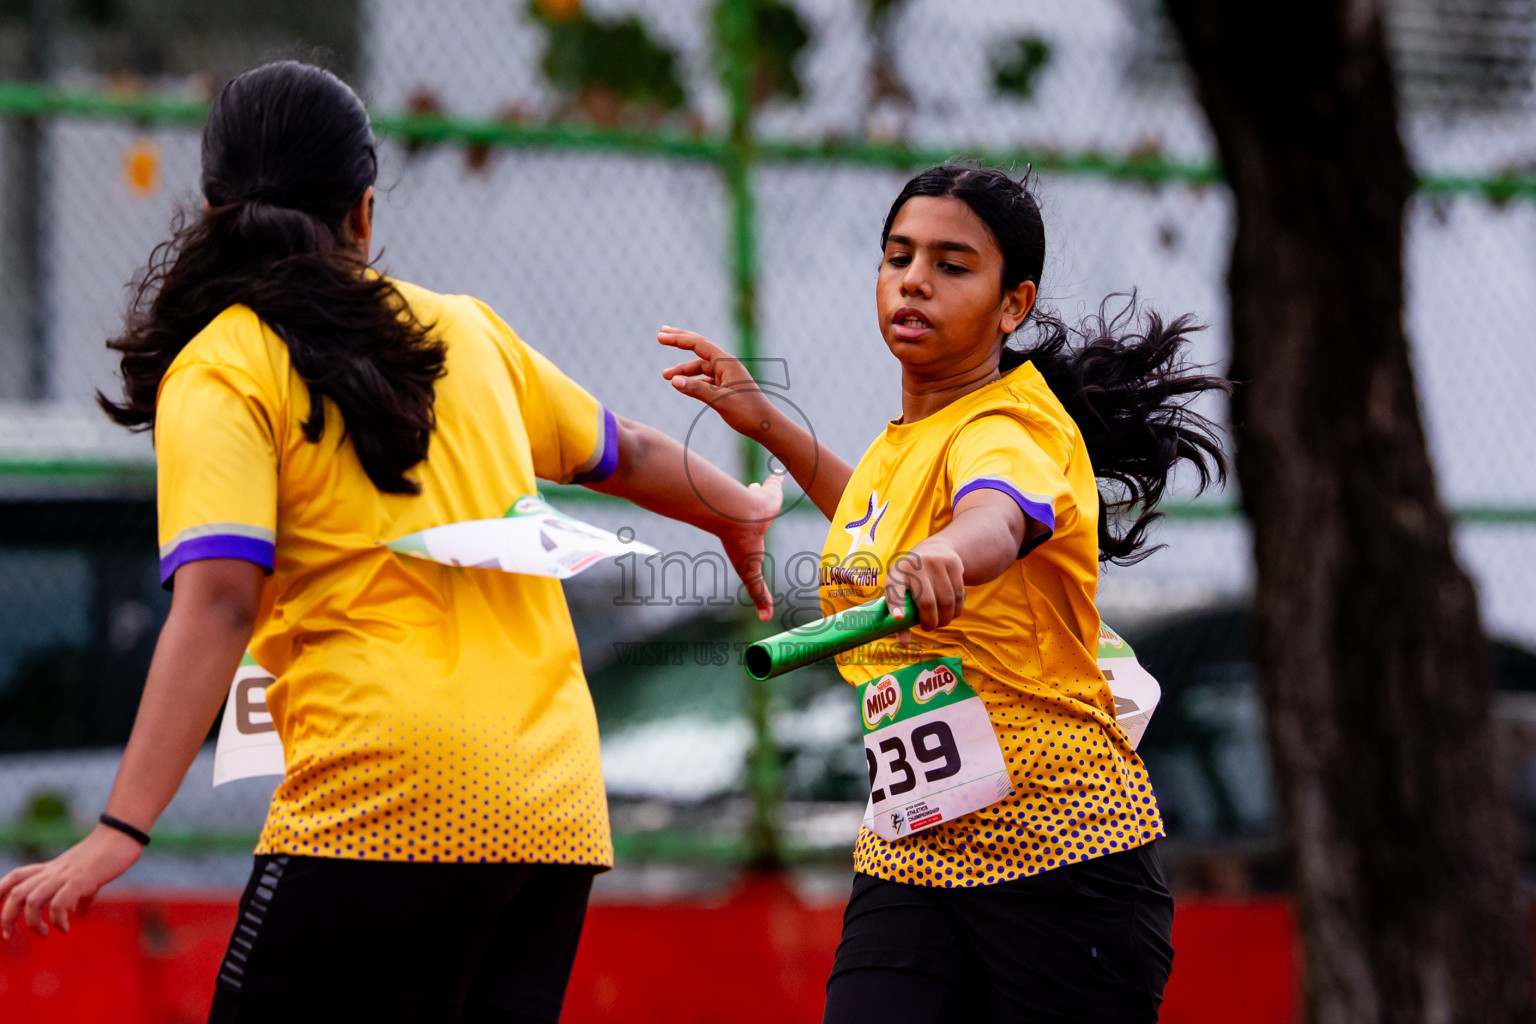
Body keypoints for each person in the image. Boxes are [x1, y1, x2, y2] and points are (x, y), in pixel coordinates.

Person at [0, 61, 781, 1023]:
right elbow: (628, 450)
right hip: (553, 808)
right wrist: (737, 512)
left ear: (210, 208)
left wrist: (121, 827)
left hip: (385, 801)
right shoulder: (468, 332)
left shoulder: (225, 363)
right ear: (364, 214)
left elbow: (219, 601)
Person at [660, 164, 1229, 1022]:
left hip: (1063, 857)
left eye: (952, 264)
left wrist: (950, 559)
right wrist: (766, 418)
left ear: (1013, 304)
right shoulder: (912, 438)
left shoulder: (1012, 427)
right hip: (914, 851)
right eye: (898, 257)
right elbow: (875, 516)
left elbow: (1001, 514)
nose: (915, 280)